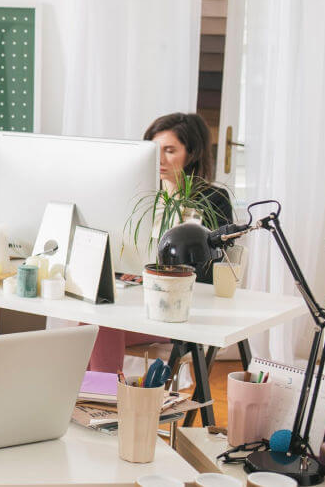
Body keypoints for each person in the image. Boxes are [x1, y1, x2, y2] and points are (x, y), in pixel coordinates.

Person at [88, 112, 233, 373]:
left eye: (170, 150)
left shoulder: (213, 200)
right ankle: (98, 403)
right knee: (85, 331)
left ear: (192, 153)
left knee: (99, 328)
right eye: (155, 150)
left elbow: (215, 265)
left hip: (182, 310)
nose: (160, 159)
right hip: (137, 303)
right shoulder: (144, 199)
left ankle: (106, 404)